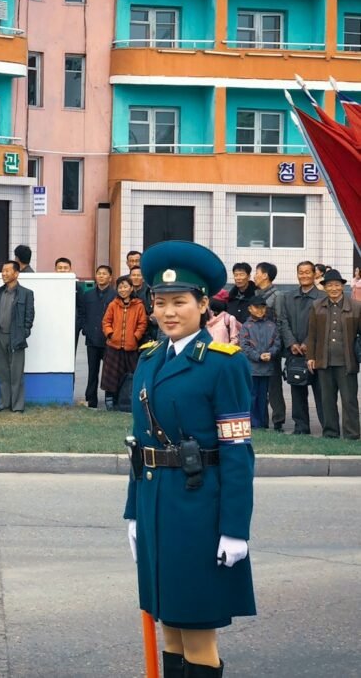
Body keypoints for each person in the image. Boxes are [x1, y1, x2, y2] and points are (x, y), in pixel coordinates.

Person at [124, 241, 255, 678]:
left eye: (179, 302)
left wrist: (235, 530)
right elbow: (138, 443)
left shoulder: (223, 364)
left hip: (200, 511)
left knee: (197, 631)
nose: (168, 312)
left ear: (203, 304)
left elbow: (237, 451)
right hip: (156, 506)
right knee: (171, 629)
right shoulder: (149, 360)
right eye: (160, 303)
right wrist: (133, 514)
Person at [306, 269, 361, 440]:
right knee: (327, 400)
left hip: (347, 361)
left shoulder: (356, 306)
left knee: (349, 400)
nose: (334, 289)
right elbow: (312, 334)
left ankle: (352, 434)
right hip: (324, 361)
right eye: (330, 286)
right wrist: (310, 357)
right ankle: (330, 433)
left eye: (337, 285)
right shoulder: (317, 306)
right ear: (324, 288)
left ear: (343, 286)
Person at [276, 261, 324, 435]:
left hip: (316, 352)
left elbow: (321, 324)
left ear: (314, 274)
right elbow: (282, 321)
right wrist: (292, 343)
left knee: (321, 391)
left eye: (307, 272)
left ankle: (328, 427)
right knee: (297, 390)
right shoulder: (288, 297)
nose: (304, 275)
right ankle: (301, 427)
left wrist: (307, 343)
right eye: (300, 272)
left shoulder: (322, 297)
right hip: (294, 352)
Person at [0, 261, 35, 413]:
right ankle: (4, 404)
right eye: (2, 271)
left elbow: (29, 316)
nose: (4, 274)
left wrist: (24, 332)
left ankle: (17, 406)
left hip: (16, 338)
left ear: (16, 273)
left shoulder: (26, 293)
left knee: (16, 373)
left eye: (7, 271)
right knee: (3, 373)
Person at [101, 276, 148, 410]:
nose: (123, 290)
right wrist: (111, 334)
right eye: (120, 287)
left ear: (131, 288)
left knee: (131, 375)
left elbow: (142, 323)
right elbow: (106, 322)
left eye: (126, 286)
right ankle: (110, 401)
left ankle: (128, 401)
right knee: (111, 376)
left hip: (131, 347)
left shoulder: (138, 305)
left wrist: (135, 336)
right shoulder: (113, 304)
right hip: (113, 346)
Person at [238, 297, 281, 429]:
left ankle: (263, 423)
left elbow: (277, 343)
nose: (260, 310)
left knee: (263, 397)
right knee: (252, 396)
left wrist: (271, 353)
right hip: (251, 368)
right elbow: (244, 346)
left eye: (263, 307)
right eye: (257, 307)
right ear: (250, 309)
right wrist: (258, 356)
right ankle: (252, 424)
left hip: (267, 368)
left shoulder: (271, 325)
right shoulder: (246, 326)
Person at [78, 265, 115, 408]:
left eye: (104, 274)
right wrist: (86, 329)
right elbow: (82, 314)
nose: (101, 276)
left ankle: (109, 398)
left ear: (110, 278)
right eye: (99, 273)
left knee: (108, 372)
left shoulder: (114, 295)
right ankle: (91, 399)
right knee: (92, 371)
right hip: (92, 339)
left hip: (109, 340)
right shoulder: (88, 295)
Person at [252, 262, 283, 432]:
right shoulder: (257, 294)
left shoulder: (277, 295)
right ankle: (261, 419)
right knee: (258, 386)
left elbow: (279, 321)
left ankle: (278, 420)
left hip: (271, 348)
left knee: (274, 384)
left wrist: (274, 347)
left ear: (265, 275)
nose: (254, 276)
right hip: (256, 348)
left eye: (257, 272)